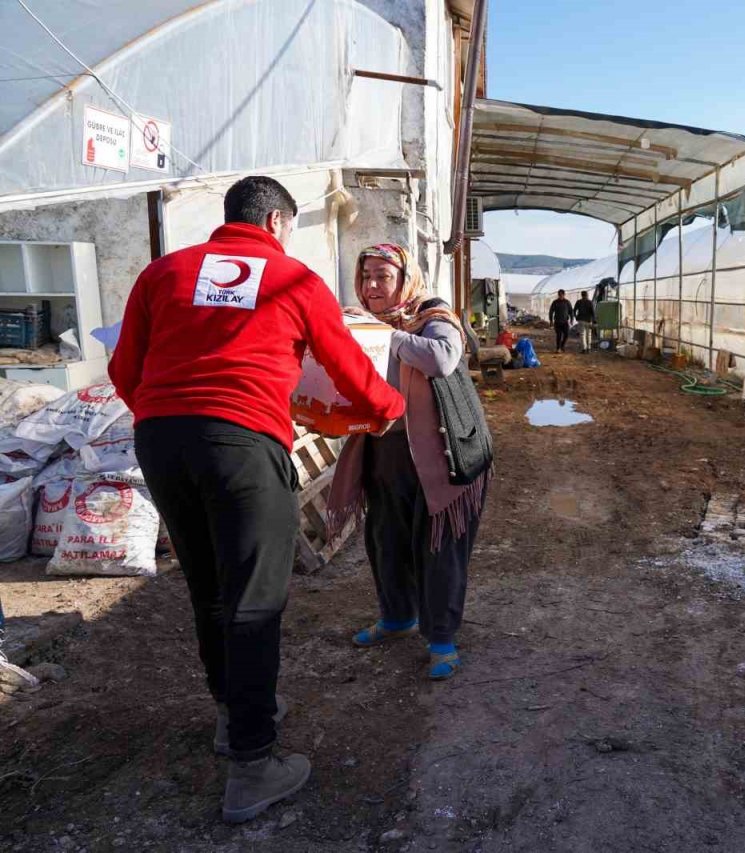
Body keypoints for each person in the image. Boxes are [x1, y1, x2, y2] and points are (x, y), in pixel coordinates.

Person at [109, 176, 405, 822]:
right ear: (275, 222)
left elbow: (124, 370)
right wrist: (387, 408)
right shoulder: (292, 279)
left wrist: (170, 420)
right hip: (242, 442)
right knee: (254, 599)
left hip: (160, 439)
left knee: (209, 586)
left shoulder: (163, 273)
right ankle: (252, 764)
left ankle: (234, 712)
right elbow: (348, 365)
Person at [328, 244, 494, 682]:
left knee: (439, 544)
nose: (372, 286)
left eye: (383, 276)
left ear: (405, 279)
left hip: (442, 454)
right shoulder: (364, 322)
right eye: (366, 277)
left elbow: (441, 360)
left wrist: (381, 335)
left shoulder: (434, 315)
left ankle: (441, 638)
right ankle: (398, 616)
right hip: (385, 449)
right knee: (386, 539)